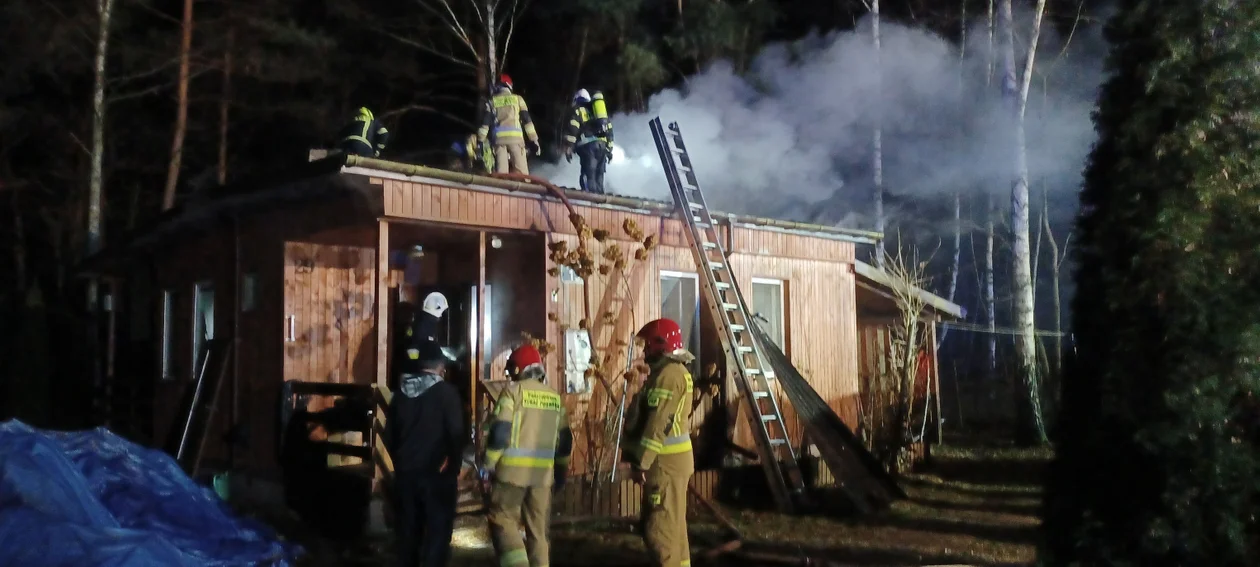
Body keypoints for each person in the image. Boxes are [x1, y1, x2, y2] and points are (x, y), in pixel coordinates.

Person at [483, 345, 572, 567]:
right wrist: (560, 474)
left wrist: (488, 464)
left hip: (511, 475)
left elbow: (501, 432)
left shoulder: (513, 392)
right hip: (542, 478)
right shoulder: (555, 398)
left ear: (518, 369)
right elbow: (565, 441)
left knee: (502, 520)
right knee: (538, 533)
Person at [387, 338, 467, 567]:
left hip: (406, 476)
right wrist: (454, 467)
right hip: (437, 477)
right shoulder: (447, 394)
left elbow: (390, 435)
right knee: (436, 538)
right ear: (440, 366)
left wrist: (400, 461)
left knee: (407, 537)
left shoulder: (400, 395)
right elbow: (456, 435)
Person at [623, 318, 694, 567]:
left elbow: (658, 424)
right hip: (669, 463)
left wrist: (642, 462)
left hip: (665, 464)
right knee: (674, 529)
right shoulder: (669, 373)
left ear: (660, 345)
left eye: (648, 346)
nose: (644, 352)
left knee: (659, 530)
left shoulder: (669, 375)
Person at [477, 74, 541, 175]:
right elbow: (527, 121)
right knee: (522, 174)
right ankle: (522, 189)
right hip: (516, 140)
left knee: (501, 175)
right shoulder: (518, 99)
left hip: (499, 142)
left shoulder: (491, 102)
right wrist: (534, 140)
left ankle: (501, 190)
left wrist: (480, 141)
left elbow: (485, 124)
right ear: (509, 86)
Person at [562, 89, 613, 194]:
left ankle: (589, 202)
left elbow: (573, 129)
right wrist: (609, 149)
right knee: (599, 177)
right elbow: (610, 131)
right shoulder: (598, 114)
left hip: (589, 148)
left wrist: (568, 147)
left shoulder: (579, 111)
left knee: (588, 176)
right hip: (602, 148)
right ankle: (600, 203)